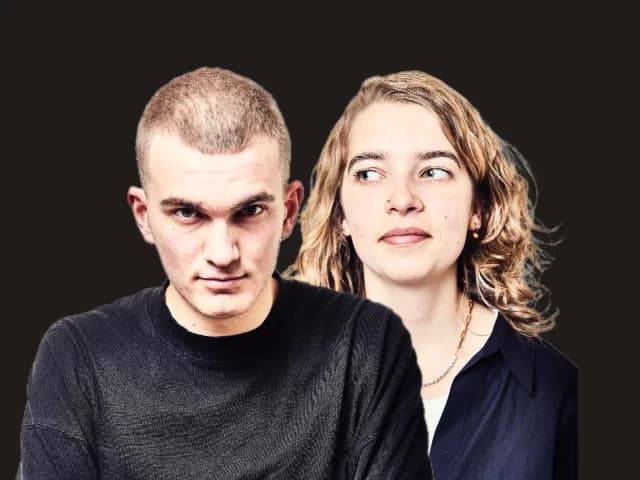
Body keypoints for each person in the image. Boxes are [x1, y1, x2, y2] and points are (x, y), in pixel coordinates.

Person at [18, 67, 432, 479]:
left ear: (289, 211)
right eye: (187, 213)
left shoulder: (364, 344)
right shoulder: (78, 357)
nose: (222, 253)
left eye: (249, 211)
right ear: (144, 216)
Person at [290, 70, 577, 479]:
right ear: (340, 216)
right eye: (369, 173)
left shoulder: (555, 393)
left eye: (433, 171)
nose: (402, 199)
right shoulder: (274, 387)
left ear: (478, 208)